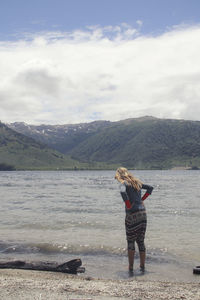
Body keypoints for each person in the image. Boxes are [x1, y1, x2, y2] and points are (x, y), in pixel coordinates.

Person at [115, 167, 153, 273]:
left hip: (132, 214)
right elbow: (150, 188)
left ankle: (130, 267)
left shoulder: (123, 183)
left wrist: (128, 205)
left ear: (119, 176)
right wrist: (142, 200)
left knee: (130, 241)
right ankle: (142, 266)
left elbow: (123, 193)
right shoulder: (137, 182)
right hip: (142, 213)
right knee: (141, 241)